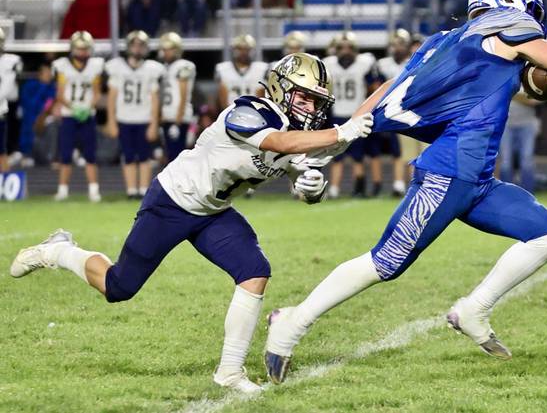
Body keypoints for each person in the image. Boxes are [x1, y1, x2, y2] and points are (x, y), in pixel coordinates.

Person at [265, 0, 547, 384]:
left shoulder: (445, 40)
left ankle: (475, 309)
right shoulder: (509, 23)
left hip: (477, 180)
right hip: (449, 174)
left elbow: (391, 87)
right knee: (384, 262)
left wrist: (349, 130)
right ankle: (292, 322)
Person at [10, 52, 373, 394]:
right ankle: (59, 250)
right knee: (118, 286)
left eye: (315, 102)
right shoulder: (249, 111)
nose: (310, 109)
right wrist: (341, 133)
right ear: (280, 89)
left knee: (254, 270)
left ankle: (229, 372)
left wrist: (311, 188)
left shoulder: (299, 136)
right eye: (304, 98)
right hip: (172, 200)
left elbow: (298, 173)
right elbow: (280, 142)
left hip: (213, 211)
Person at [105, 31, 165, 199]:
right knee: (128, 156)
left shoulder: (151, 68)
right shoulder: (117, 67)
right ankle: (131, 190)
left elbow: (154, 98)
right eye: (135, 45)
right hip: (124, 118)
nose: (137, 49)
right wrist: (111, 120)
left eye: (141, 45)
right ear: (129, 46)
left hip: (144, 118)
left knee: (145, 157)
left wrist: (154, 123)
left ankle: (144, 190)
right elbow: (112, 96)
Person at [52, 31, 104, 202]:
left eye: (85, 49)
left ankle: (94, 190)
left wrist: (88, 108)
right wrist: (73, 108)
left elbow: (96, 93)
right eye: (79, 49)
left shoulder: (95, 65)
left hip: (87, 115)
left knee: (90, 155)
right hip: (69, 115)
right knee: (65, 155)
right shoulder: (62, 65)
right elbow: (59, 93)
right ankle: (62, 190)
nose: (82, 52)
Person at [324, 31, 376, 198]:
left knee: (358, 157)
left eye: (349, 48)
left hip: (357, 116)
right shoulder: (329, 64)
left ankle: (359, 188)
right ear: (335, 49)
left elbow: (373, 88)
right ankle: (334, 189)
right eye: (341, 48)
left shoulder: (364, 63)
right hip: (338, 114)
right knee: (336, 157)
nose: (345, 51)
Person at [366, 30, 412, 197]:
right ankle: (381, 184)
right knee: (377, 150)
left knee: (401, 151)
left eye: (400, 44)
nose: (397, 48)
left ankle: (400, 184)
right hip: (383, 111)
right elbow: (374, 86)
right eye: (394, 44)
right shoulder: (383, 64)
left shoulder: (414, 61)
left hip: (404, 112)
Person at [159, 33, 196, 162]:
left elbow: (183, 95)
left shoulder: (183, 66)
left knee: (177, 158)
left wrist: (177, 121)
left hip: (178, 118)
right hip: (167, 117)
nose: (166, 52)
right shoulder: (166, 67)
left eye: (169, 49)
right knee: (169, 157)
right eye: (165, 49)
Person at [216, 34, 270, 108]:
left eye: (247, 49)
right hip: (230, 113)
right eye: (240, 49)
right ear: (234, 50)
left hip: (256, 113)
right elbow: (222, 100)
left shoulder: (262, 69)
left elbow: (262, 98)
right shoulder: (223, 69)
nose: (244, 52)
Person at [0, 27, 21, 173]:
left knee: (1, 152)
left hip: (0, 111)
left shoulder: (10, 61)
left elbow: (11, 92)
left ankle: (4, 185)